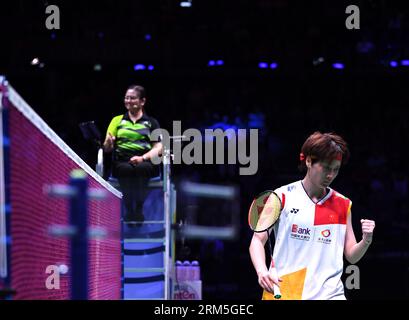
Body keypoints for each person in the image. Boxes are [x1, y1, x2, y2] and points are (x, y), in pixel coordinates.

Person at [249, 132, 375, 300]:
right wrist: (262, 271)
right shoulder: (281, 196)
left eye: (335, 170)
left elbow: (351, 256)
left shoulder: (343, 204)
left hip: (330, 295)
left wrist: (366, 240)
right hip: (285, 292)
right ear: (308, 161)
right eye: (326, 168)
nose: (330, 175)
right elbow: (257, 240)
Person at [103, 85, 162, 223]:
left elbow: (158, 147)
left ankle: (139, 208)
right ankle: (129, 208)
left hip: (145, 161)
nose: (128, 101)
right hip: (122, 161)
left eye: (132, 98)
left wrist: (143, 158)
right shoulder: (117, 120)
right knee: (125, 170)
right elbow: (107, 149)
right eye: (126, 98)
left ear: (142, 101)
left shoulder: (152, 122)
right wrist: (108, 143)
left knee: (142, 169)